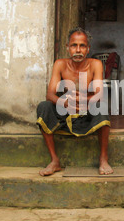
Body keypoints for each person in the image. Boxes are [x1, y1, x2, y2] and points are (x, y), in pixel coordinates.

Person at [36, 27, 113, 176]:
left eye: (82, 46)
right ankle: (54, 161)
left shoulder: (95, 64)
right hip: (66, 112)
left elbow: (99, 95)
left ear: (88, 48)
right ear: (68, 48)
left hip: (87, 113)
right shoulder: (60, 64)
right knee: (43, 107)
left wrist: (83, 100)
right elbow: (50, 94)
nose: (78, 50)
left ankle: (103, 159)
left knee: (102, 107)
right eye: (74, 45)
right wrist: (64, 103)